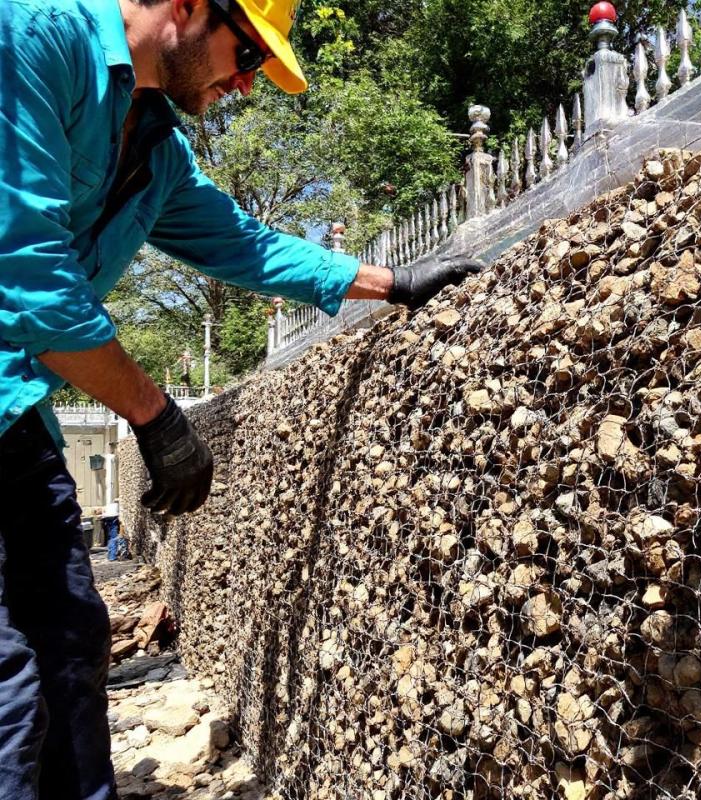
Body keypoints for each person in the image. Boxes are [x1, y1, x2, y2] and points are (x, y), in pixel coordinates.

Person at [0, 0, 481, 796]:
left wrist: (394, 283)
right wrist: (155, 415)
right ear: (189, 7)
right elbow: (28, 280)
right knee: (11, 686)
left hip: (19, 413)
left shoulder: (155, 148)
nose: (247, 83)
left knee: (71, 643)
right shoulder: (32, 37)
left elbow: (243, 244)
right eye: (249, 54)